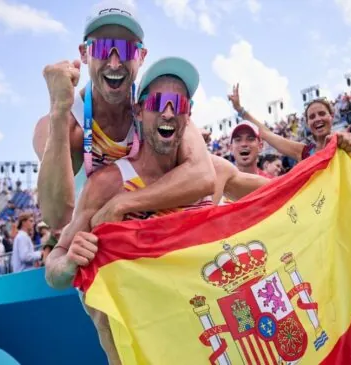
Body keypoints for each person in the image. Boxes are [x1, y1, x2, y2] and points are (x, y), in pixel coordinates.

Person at [45, 57, 269, 364]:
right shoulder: (109, 183)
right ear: (139, 111)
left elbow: (283, 190)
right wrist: (70, 262)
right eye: (158, 102)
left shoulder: (216, 172)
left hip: (210, 348)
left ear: (188, 116)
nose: (168, 112)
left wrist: (337, 156)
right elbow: (53, 270)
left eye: (179, 104)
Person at [33, 2, 214, 231]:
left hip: (146, 236)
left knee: (225, 169)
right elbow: (56, 217)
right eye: (102, 48)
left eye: (126, 50)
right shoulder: (64, 124)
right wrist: (59, 112)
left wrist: (123, 203)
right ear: (84, 54)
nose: (115, 62)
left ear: (142, 56)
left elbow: (203, 175)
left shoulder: (155, 104)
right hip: (90, 247)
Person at [227, 84, 351, 163]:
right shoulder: (304, 152)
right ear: (307, 123)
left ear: (331, 116)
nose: (317, 119)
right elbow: (266, 133)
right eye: (312, 117)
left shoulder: (344, 141)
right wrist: (240, 110)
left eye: (322, 114)